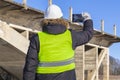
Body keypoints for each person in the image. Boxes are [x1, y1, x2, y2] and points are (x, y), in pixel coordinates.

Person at [23, 4, 93, 80]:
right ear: (61, 18)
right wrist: (87, 20)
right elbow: (87, 35)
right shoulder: (71, 36)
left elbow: (30, 67)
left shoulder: (37, 39)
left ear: (45, 20)